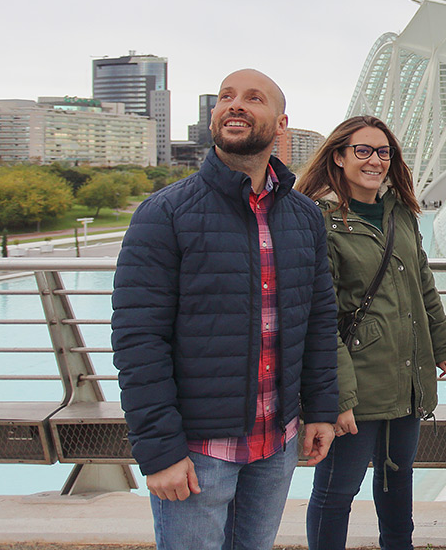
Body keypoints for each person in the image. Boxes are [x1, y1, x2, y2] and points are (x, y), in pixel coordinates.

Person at [112, 69, 339, 550]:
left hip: (276, 446)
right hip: (197, 453)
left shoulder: (304, 218)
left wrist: (321, 410)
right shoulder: (165, 213)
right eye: (226, 97)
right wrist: (159, 452)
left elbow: (317, 321)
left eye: (253, 98)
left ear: (281, 125)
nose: (235, 105)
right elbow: (139, 340)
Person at [297, 115, 446, 550]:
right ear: (339, 156)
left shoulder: (399, 213)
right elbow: (320, 319)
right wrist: (339, 398)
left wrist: (444, 346)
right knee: (336, 491)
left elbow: (422, 283)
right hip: (357, 385)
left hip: (404, 378)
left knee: (396, 479)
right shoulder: (320, 221)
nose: (375, 160)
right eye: (363, 150)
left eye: (383, 152)